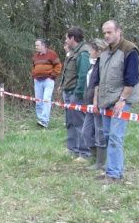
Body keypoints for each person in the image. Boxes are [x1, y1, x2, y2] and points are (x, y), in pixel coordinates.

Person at [93, 20, 139, 183]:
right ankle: (112, 170)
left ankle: (114, 174)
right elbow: (97, 79)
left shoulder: (129, 50)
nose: (106, 35)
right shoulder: (104, 53)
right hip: (105, 100)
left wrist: (122, 100)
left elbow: (131, 79)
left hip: (121, 100)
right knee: (107, 135)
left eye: (110, 32)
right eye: (104, 33)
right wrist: (95, 100)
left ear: (119, 32)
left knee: (115, 136)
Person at [58, 26, 91, 159]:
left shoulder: (83, 53)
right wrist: (62, 86)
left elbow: (83, 75)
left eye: (67, 38)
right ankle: (72, 150)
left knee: (80, 123)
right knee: (70, 122)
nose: (66, 40)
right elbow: (68, 73)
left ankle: (85, 153)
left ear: (72, 38)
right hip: (68, 91)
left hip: (76, 94)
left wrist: (77, 93)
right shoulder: (73, 52)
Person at [81, 38, 108, 171]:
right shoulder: (92, 64)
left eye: (91, 50)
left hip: (98, 104)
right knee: (86, 132)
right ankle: (95, 157)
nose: (89, 52)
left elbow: (99, 85)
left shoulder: (103, 64)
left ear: (98, 51)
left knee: (100, 133)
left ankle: (101, 162)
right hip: (89, 103)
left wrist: (97, 101)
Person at [32, 39, 62, 128]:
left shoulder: (51, 54)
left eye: (37, 45)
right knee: (38, 101)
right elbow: (34, 66)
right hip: (37, 80)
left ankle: (45, 120)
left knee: (46, 99)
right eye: (35, 46)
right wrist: (34, 74)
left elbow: (58, 65)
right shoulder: (35, 56)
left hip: (48, 80)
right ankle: (40, 119)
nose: (36, 47)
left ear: (43, 45)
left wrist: (53, 75)